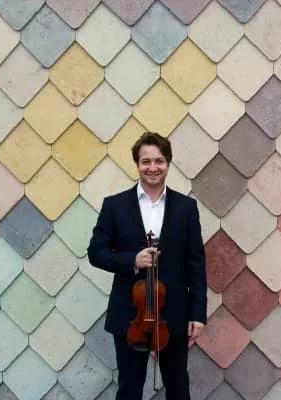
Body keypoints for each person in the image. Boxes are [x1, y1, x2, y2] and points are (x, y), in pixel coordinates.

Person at [87, 131, 207, 400]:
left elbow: (196, 263)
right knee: (129, 388)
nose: (153, 167)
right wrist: (132, 260)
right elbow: (96, 252)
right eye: (146, 161)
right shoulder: (115, 205)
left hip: (173, 313)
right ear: (137, 164)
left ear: (168, 163)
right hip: (131, 315)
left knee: (178, 388)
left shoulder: (186, 207)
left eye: (159, 161)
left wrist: (198, 313)